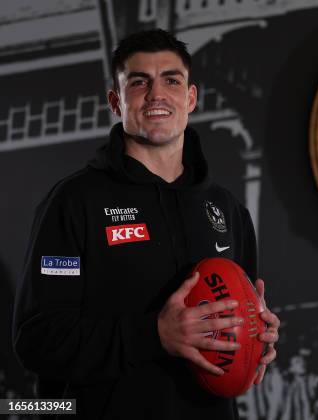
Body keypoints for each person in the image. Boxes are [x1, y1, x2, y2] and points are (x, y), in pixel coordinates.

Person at [12, 29, 280, 419]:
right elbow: (38, 339)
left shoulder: (227, 209)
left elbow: (240, 313)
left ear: (190, 97)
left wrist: (258, 335)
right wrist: (154, 335)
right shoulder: (74, 202)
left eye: (172, 80)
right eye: (139, 82)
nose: (157, 94)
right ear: (115, 101)